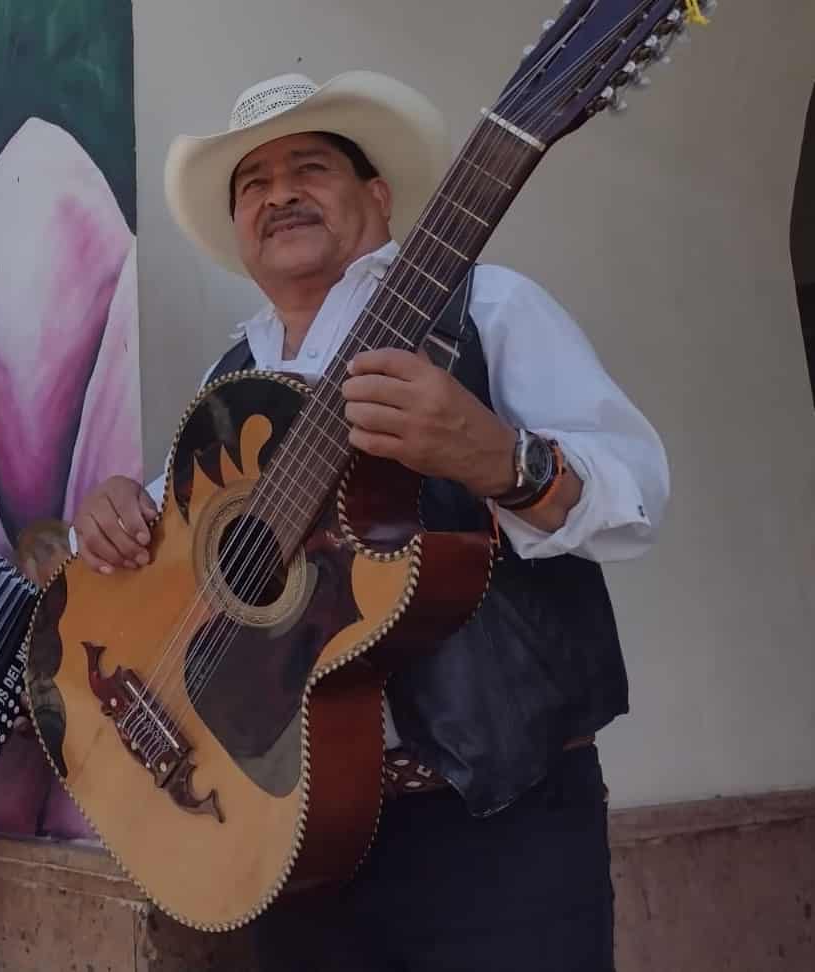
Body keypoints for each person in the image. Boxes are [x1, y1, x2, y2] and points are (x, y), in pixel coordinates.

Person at [69, 71, 670, 971]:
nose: (279, 194)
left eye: (308, 167)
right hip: (286, 838)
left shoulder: (485, 309)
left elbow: (636, 500)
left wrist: (504, 460)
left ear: (377, 196)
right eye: (254, 185)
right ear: (239, 231)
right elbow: (178, 550)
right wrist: (113, 520)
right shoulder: (233, 376)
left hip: (494, 824)